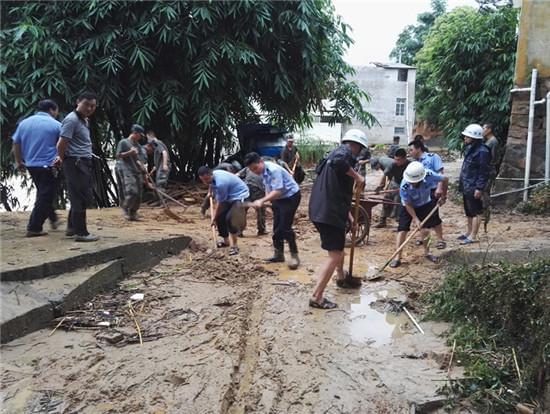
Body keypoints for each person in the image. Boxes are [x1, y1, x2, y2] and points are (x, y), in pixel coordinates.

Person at [308, 129, 367, 309]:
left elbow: (337, 192)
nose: (358, 154)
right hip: (328, 213)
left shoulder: (331, 158)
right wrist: (358, 176)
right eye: (360, 149)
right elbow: (339, 161)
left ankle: (341, 278)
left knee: (338, 249)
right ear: (355, 145)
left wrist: (350, 216)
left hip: (324, 210)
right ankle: (317, 296)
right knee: (336, 255)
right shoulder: (343, 153)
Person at [12, 99, 61, 237]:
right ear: (52, 109)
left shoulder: (24, 124)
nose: (57, 114)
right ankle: (34, 227)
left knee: (44, 193)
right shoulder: (56, 125)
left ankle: (53, 218)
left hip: (31, 165)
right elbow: (63, 144)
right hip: (48, 165)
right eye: (56, 111)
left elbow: (16, 143)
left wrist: (19, 161)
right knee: (46, 195)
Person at [244, 152, 301, 269]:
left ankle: (295, 256)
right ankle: (279, 254)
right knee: (276, 228)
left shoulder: (274, 170)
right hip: (278, 198)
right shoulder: (262, 170)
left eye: (255, 168)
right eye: (252, 170)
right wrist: (266, 200)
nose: (255, 172)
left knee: (285, 228)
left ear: (261, 162)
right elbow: (268, 186)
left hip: (290, 196)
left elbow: (278, 191)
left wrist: (262, 200)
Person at [56, 91, 99, 242]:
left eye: (93, 106)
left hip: (82, 161)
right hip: (75, 162)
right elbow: (61, 144)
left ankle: (72, 228)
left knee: (81, 195)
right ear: (78, 102)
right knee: (79, 197)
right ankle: (81, 233)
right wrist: (61, 159)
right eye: (86, 104)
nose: (89, 108)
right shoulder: (72, 120)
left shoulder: (84, 120)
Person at [391, 161, 448, 268]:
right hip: (408, 206)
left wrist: (443, 196)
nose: (412, 183)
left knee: (425, 230)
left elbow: (445, 179)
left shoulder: (429, 175)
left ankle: (427, 253)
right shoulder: (404, 186)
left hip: (425, 203)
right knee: (402, 229)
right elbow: (407, 204)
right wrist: (416, 219)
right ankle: (397, 257)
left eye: (415, 182)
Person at [197, 166, 249, 256]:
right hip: (229, 195)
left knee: (230, 219)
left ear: (211, 174)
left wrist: (214, 217)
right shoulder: (213, 177)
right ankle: (226, 241)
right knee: (220, 218)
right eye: (203, 180)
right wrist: (210, 191)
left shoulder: (221, 183)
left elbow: (220, 203)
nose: (205, 182)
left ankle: (235, 246)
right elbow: (211, 184)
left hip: (239, 195)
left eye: (206, 179)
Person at [408, 139, 446, 248]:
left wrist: (440, 188)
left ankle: (440, 239)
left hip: (432, 191)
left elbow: (440, 173)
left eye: (411, 150)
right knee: (421, 215)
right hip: (419, 193)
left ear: (418, 148)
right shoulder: (414, 163)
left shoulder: (433, 157)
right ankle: (423, 237)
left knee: (434, 215)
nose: (410, 153)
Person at [458, 124, 491, 245]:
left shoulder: (483, 152)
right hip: (466, 185)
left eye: (467, 137)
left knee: (477, 211)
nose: (465, 138)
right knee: (469, 210)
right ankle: (468, 232)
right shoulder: (470, 148)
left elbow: (483, 172)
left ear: (475, 138)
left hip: (474, 186)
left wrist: (479, 188)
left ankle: (473, 236)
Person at [115, 124, 147, 221]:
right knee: (131, 191)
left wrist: (143, 168)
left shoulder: (138, 146)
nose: (141, 138)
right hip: (126, 169)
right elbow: (118, 155)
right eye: (140, 135)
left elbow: (141, 160)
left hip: (136, 170)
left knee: (139, 194)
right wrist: (129, 153)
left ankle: (133, 212)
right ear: (135, 133)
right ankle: (125, 209)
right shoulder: (124, 142)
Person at [371, 148, 410, 228]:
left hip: (405, 185)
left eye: (398, 160)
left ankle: (399, 224)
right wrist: (380, 186)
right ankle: (382, 221)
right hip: (394, 182)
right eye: (395, 159)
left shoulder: (410, 165)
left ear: (404, 159)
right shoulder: (392, 164)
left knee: (398, 203)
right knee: (386, 200)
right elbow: (385, 175)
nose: (396, 161)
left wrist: (405, 187)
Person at [238, 166, 267, 236]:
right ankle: (261, 229)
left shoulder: (248, 167)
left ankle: (239, 231)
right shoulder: (265, 168)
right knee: (261, 210)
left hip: (246, 188)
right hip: (258, 189)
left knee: (242, 210)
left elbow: (237, 175)